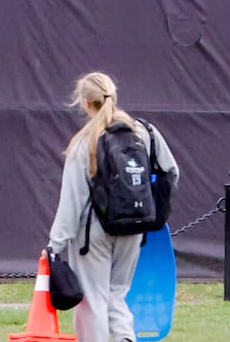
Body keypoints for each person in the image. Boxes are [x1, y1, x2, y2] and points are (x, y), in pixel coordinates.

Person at [48, 72, 179, 342]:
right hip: (134, 226)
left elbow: (72, 199)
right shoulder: (145, 132)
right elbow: (171, 172)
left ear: (85, 102)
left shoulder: (84, 142)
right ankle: (124, 337)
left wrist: (55, 243)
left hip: (92, 232)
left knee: (93, 299)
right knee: (118, 292)